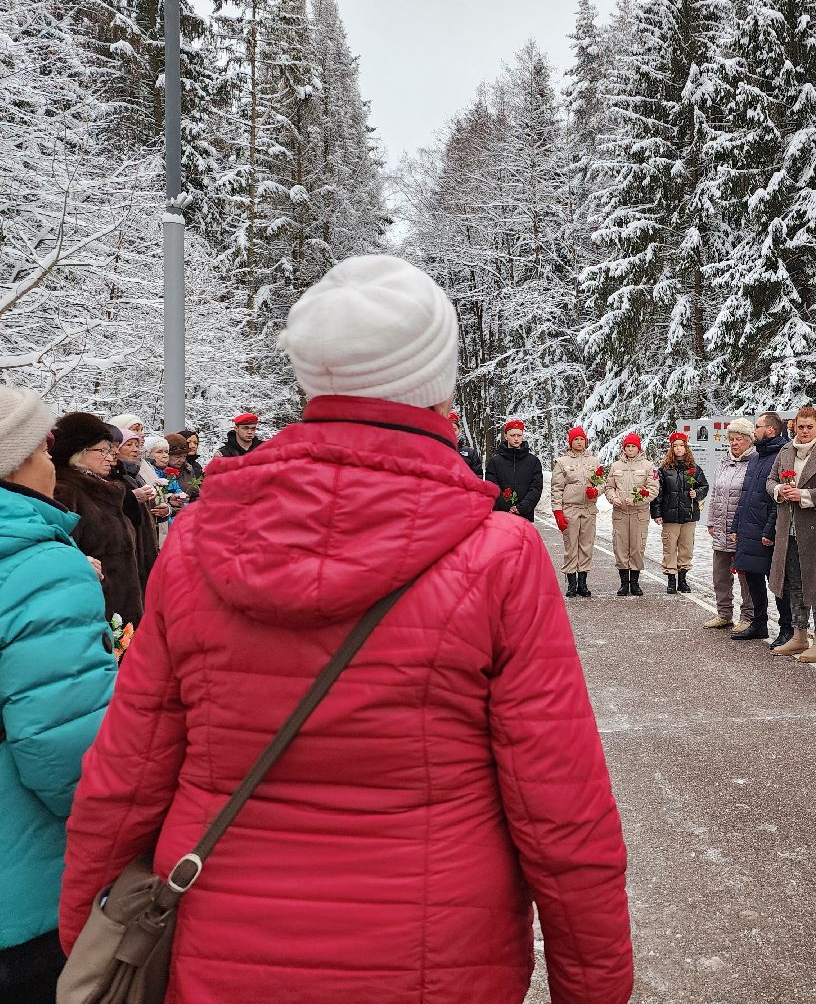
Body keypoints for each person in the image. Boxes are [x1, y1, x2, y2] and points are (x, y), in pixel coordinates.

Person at [60, 253, 633, 1004]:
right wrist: (592, 984)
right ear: (439, 386)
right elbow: (559, 804)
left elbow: (127, 772)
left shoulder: (200, 541)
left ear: (310, 381)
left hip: (221, 943)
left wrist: (90, 939)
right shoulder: (496, 553)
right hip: (434, 952)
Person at [0, 387, 115, 1004]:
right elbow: (64, 747)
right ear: (15, 459)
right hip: (23, 883)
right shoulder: (37, 563)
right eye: (44, 449)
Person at [49, 414, 143, 627]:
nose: (110, 457)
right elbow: (60, 555)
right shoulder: (65, 492)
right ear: (78, 451)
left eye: (111, 451)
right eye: (103, 451)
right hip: (94, 612)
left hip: (120, 610)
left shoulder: (103, 489)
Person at [767, 405, 816, 663]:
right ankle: (799, 635)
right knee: (794, 584)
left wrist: (805, 495)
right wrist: (780, 491)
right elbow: (770, 481)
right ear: (794, 427)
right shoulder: (786, 451)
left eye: (810, 427)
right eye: (801, 427)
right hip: (788, 529)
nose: (805, 431)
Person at [732, 412, 791, 643]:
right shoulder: (757, 457)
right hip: (749, 527)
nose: (754, 430)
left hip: (766, 531)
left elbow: (779, 500)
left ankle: (786, 628)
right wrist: (736, 525)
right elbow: (745, 495)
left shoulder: (783, 455)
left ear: (770, 430)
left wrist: (770, 530)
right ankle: (759, 623)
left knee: (777, 581)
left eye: (757, 426)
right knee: (753, 577)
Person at [704, 420, 756, 632]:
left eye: (739, 439)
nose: (734, 443)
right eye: (731, 439)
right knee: (720, 574)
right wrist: (711, 521)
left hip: (741, 529)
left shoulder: (755, 462)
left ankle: (748, 616)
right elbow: (715, 493)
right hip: (720, 527)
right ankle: (724, 614)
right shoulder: (724, 461)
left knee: (745, 575)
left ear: (749, 440)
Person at [651, 432, 708, 594]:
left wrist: (697, 493)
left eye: (681, 445)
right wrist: (656, 513)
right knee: (669, 547)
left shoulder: (694, 469)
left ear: (686, 448)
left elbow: (704, 486)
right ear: (671, 448)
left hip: (688, 515)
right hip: (670, 516)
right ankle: (671, 579)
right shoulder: (664, 470)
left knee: (686, 548)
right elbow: (658, 493)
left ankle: (682, 579)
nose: (678, 448)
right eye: (675, 446)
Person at [551, 426, 601, 598]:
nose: (579, 442)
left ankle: (583, 583)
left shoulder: (593, 461)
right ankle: (571, 583)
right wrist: (558, 512)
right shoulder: (562, 462)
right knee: (571, 545)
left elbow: (602, 482)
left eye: (582, 439)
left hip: (588, 509)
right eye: (576, 439)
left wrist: (596, 491)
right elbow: (557, 488)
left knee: (586, 545)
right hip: (570, 509)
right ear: (570, 442)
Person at [605, 433, 657, 596]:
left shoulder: (648, 466)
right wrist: (613, 498)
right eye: (627, 446)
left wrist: (636, 500)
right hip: (620, 514)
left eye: (633, 446)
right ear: (624, 448)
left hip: (639, 514)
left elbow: (653, 489)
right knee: (620, 547)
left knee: (637, 547)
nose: (630, 449)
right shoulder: (616, 466)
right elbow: (609, 487)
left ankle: (634, 583)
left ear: (638, 448)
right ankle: (623, 583)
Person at [110, 426, 163, 587]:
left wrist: (162, 506)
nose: (135, 449)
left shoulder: (135, 474)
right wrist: (132, 498)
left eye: (137, 445)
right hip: (127, 549)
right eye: (129, 444)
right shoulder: (113, 476)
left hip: (144, 544)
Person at [484, 420, 543, 521]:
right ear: (506, 436)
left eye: (519, 435)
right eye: (512, 435)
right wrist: (506, 506)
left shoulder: (533, 461)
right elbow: (492, 486)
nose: (516, 438)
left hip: (525, 515)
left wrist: (522, 507)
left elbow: (536, 487)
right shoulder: (495, 461)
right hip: (501, 515)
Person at [451, 411, 485, 477]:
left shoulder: (470, 453)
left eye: (454, 429)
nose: (452, 432)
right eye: (448, 428)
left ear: (459, 430)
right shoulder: (437, 451)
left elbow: (478, 476)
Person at [176, 428, 204, 500]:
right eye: (188, 442)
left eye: (195, 443)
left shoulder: (197, 466)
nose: (193, 446)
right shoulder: (175, 464)